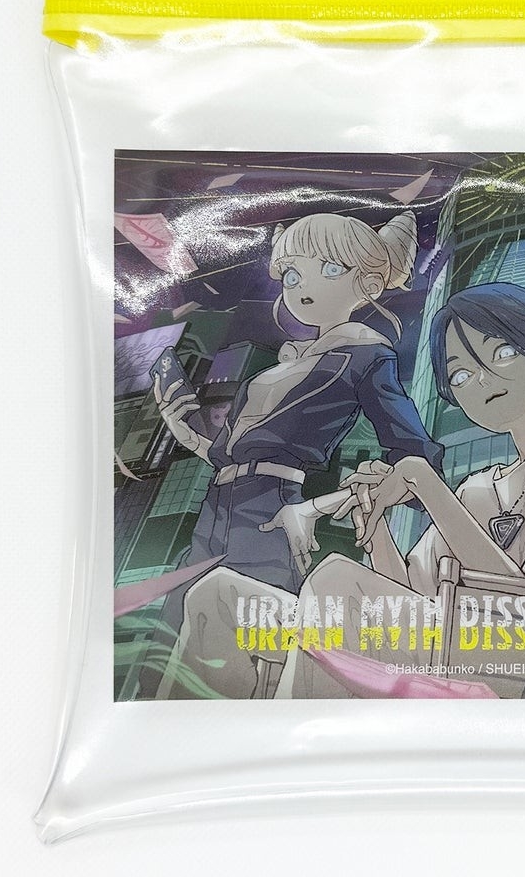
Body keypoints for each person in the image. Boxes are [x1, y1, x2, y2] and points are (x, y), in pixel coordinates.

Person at [174, 283, 525, 699]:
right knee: (220, 595)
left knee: (337, 584)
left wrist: (424, 481)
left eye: (503, 353)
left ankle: (305, 753)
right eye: (461, 375)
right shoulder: (477, 489)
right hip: (455, 643)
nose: (482, 380)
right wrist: (375, 525)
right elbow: (407, 594)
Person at [154, 210, 442, 699]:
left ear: (369, 283)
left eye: (328, 269)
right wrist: (180, 423)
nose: (302, 286)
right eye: (291, 274)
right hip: (214, 511)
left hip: (271, 512)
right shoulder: (280, 364)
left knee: (245, 642)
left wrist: (315, 508)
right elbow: (223, 454)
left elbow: (415, 460)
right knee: (176, 633)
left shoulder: (368, 356)